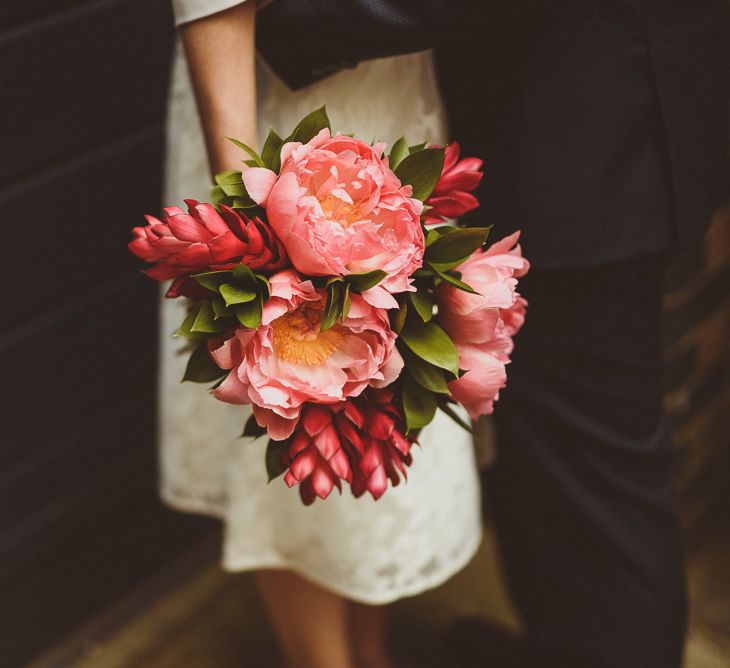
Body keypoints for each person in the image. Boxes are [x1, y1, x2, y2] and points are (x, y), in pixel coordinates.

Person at [254, 1, 729, 666]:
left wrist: (295, 20)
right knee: (556, 456)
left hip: (593, 144)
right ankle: (563, 645)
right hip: (595, 130)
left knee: (596, 472)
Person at [159, 3, 482, 667]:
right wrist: (247, 224)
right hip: (273, 129)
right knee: (290, 430)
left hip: (394, 104)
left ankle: (368, 654)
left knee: (379, 416)